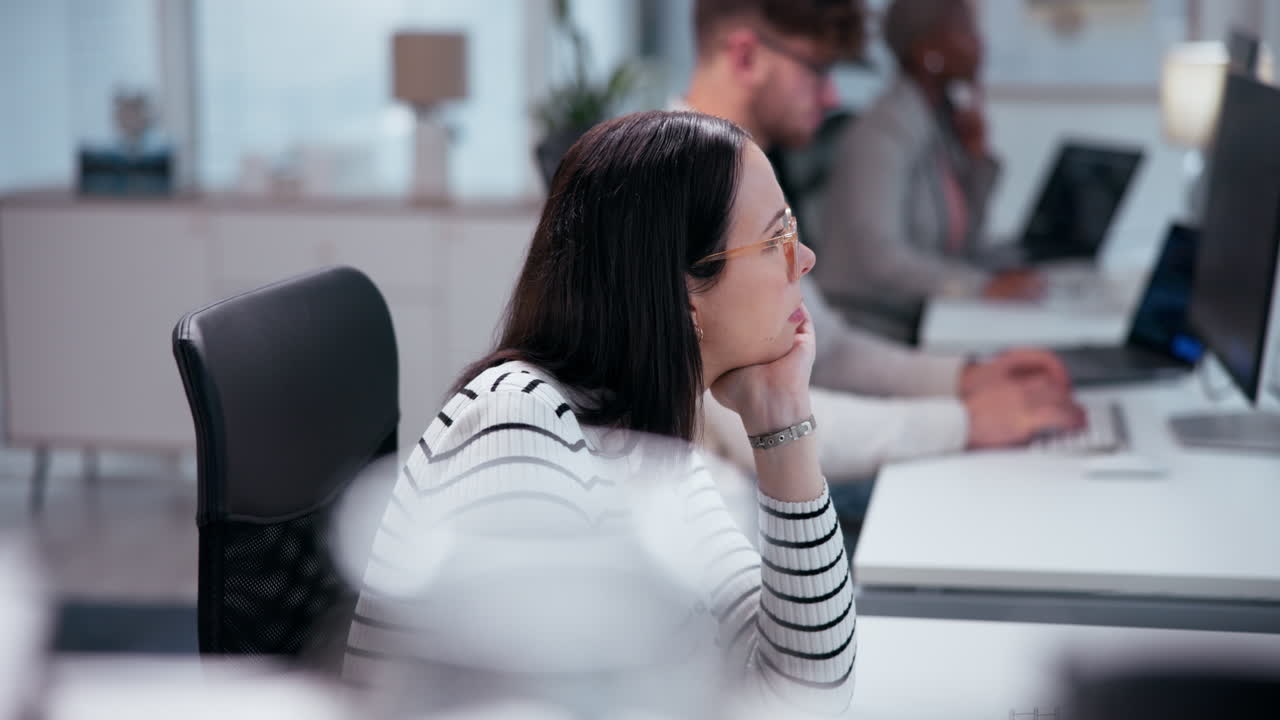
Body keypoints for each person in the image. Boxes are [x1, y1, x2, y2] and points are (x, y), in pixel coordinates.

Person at [344, 111, 855, 715]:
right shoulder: (518, 432)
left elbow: (807, 693)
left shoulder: (638, 435)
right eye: (776, 240)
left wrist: (782, 417)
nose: (805, 259)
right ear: (681, 289)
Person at [682, 0, 1083, 485]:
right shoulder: (674, 194)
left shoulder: (741, 177)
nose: (833, 97)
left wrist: (965, 377)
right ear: (745, 57)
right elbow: (758, 427)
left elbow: (830, 350)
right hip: (756, 513)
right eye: (817, 69)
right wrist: (966, 420)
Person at [815, 0, 1045, 328]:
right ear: (928, 53)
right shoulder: (882, 131)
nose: (981, 43)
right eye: (966, 30)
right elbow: (880, 259)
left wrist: (976, 159)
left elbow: (962, 244)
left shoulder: (939, 124)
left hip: (920, 317)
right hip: (867, 323)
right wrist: (981, 286)